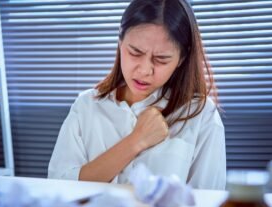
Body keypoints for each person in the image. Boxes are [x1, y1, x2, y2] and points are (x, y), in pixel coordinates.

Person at [48, 0, 226, 190]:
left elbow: (207, 205)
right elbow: (59, 187)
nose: (144, 70)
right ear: (120, 41)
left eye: (161, 59)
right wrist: (136, 141)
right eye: (135, 52)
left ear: (181, 59)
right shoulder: (86, 105)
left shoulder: (202, 116)